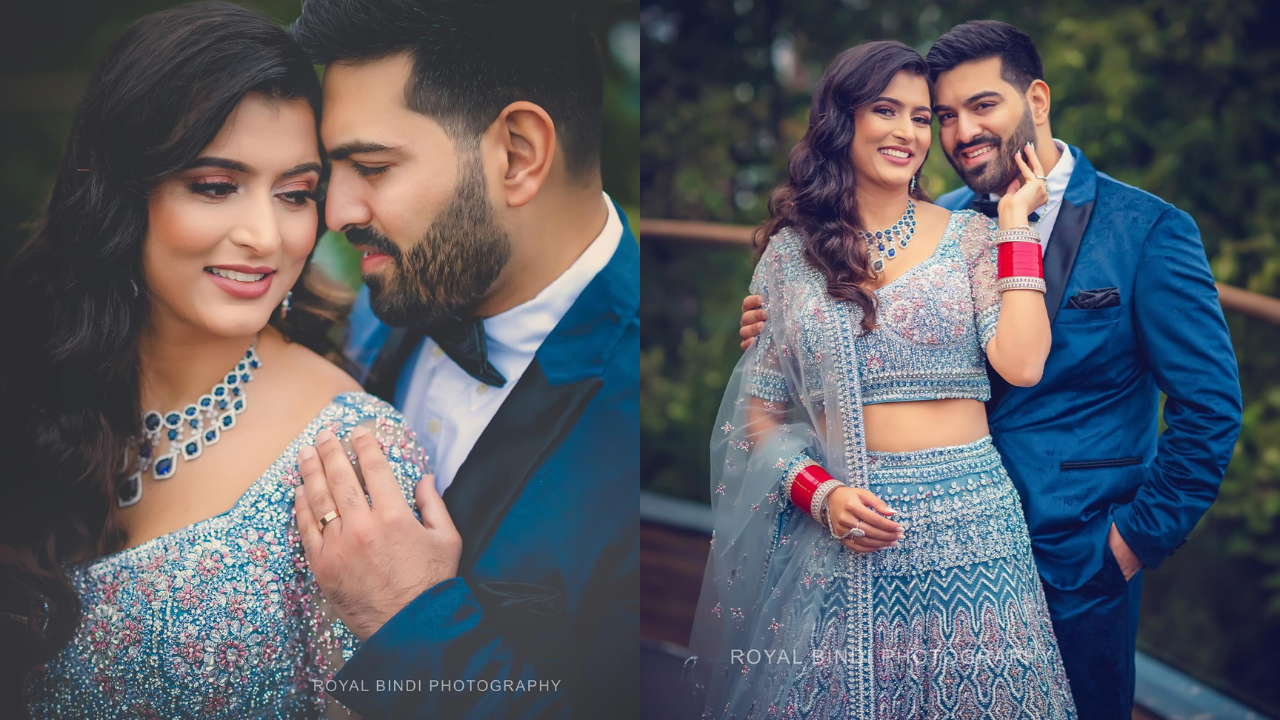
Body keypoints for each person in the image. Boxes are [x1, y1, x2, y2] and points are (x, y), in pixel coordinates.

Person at [737, 21, 1243, 720]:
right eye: (942, 116)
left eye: (981, 107)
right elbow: (853, 340)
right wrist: (779, 324)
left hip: (1076, 559)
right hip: (900, 545)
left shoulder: (1148, 230)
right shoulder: (939, 222)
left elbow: (1210, 411)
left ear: (1035, 98)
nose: (959, 131)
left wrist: (1126, 548)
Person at [1, 3, 441, 718]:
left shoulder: (354, 462)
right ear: (113, 191)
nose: (265, 235)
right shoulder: (36, 377)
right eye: (215, 186)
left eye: (296, 194)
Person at [691, 39, 1077, 718]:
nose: (908, 132)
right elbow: (760, 417)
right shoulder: (789, 256)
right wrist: (821, 495)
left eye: (923, 118)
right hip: (846, 528)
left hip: (972, 530)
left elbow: (1022, 362)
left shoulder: (973, 237)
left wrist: (1015, 225)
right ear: (846, 120)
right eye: (886, 110)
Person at [284, 1, 640, 718]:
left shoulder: (640, 415)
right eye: (333, 171)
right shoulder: (380, 311)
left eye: (372, 165)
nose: (337, 212)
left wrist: (407, 616)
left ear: (517, 154)